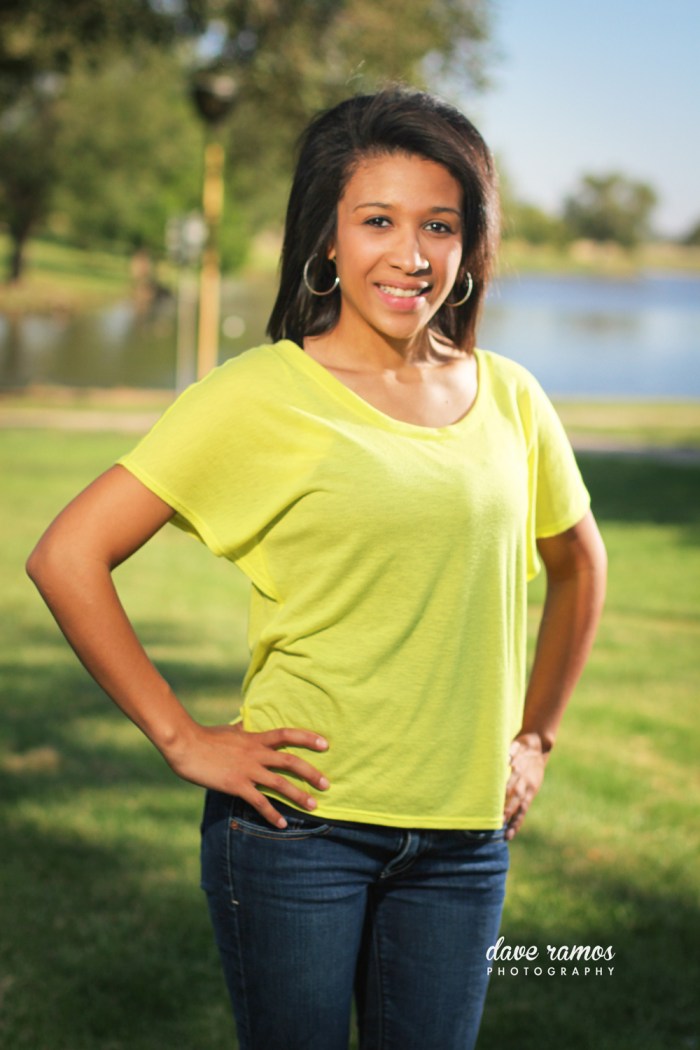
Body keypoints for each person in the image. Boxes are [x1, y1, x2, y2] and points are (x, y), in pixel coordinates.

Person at [27, 87, 607, 1050]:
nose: (410, 254)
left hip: (464, 844)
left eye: (440, 225)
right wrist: (180, 738)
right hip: (298, 833)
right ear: (326, 238)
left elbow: (579, 566)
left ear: (470, 247)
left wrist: (536, 738)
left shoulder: (511, 395)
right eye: (376, 220)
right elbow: (68, 555)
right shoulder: (260, 393)